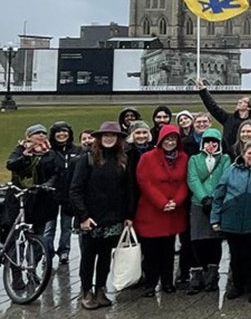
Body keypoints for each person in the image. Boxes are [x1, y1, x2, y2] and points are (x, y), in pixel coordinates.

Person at [70, 122, 134, 311]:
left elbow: (129, 190)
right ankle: (86, 290)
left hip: (113, 217)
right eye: (105, 135)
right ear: (99, 138)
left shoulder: (122, 160)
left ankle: (100, 288)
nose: (108, 139)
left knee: (106, 256)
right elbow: (75, 189)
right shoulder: (87, 159)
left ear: (118, 139)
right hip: (91, 217)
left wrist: (129, 215)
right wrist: (83, 216)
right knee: (88, 256)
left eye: (112, 136)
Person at [211, 139, 251, 303]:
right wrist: (215, 218)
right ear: (243, 154)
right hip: (231, 219)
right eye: (249, 153)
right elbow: (219, 194)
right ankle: (237, 285)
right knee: (235, 256)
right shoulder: (231, 170)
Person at [134, 124, 189, 296]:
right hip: (152, 211)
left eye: (173, 139)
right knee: (151, 251)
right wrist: (162, 202)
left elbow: (184, 182)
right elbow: (144, 182)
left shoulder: (184, 158)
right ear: (160, 140)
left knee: (169, 249)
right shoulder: (148, 157)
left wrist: (176, 201)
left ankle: (167, 281)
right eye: (167, 139)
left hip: (173, 211)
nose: (170, 142)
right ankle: (150, 283)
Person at [6, 124, 63, 258]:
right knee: (17, 234)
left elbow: (57, 172)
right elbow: (10, 164)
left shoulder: (50, 153)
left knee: (39, 233)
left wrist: (47, 184)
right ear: (29, 136)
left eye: (43, 133)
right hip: (21, 197)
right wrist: (25, 157)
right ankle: (16, 270)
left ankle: (33, 265)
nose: (41, 136)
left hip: (41, 199)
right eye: (37, 133)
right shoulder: (20, 150)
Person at [185, 128, 226, 296]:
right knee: (197, 239)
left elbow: (224, 179)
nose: (211, 145)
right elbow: (193, 179)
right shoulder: (194, 159)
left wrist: (214, 198)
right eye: (208, 142)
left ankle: (213, 273)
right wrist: (203, 198)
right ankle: (198, 271)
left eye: (214, 142)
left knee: (214, 240)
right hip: (198, 203)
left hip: (217, 203)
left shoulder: (225, 159)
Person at [45, 121, 81, 266]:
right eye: (58, 132)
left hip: (68, 193)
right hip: (51, 194)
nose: (61, 134)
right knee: (49, 226)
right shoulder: (48, 150)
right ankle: (47, 251)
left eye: (64, 131)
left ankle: (64, 251)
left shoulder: (77, 150)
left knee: (66, 225)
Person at [195, 80, 251, 153]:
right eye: (239, 100)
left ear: (249, 107)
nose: (239, 102)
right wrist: (203, 90)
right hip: (227, 155)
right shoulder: (228, 118)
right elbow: (213, 107)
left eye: (244, 101)